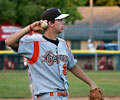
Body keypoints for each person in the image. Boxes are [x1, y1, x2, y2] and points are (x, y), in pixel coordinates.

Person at [5, 8, 99, 100]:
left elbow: (72, 66)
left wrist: (91, 83)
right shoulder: (34, 43)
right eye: (60, 20)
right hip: (46, 95)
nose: (63, 22)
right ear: (50, 23)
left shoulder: (63, 44)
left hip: (63, 95)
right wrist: (30, 28)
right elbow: (9, 42)